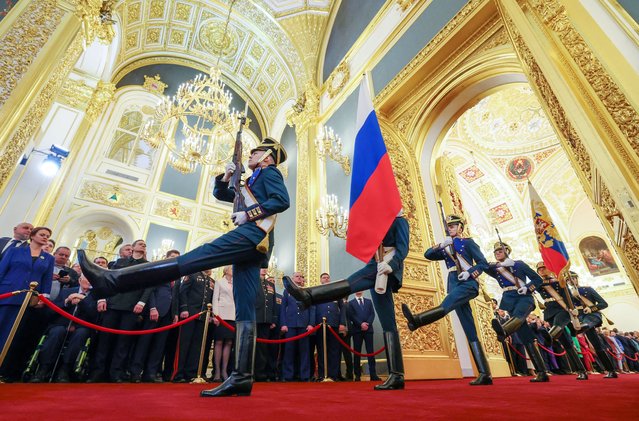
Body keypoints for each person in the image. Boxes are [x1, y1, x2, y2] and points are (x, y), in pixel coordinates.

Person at [78, 137, 289, 397]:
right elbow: (224, 194)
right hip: (252, 243)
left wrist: (249, 215)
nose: (250, 155)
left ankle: (113, 281)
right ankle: (242, 378)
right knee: (245, 306)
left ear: (267, 156)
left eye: (255, 152)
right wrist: (226, 176)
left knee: (192, 260)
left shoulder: (270, 173)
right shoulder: (252, 181)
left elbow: (281, 201)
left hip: (252, 235)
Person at [285, 213, 409, 390]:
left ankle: (308, 295)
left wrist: (393, 264)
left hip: (385, 267)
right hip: (377, 265)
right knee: (388, 322)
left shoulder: (399, 220)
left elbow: (403, 248)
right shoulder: (379, 221)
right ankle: (397, 375)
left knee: (350, 283)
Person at [401, 214, 492, 385]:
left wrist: (471, 271)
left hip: (468, 284)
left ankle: (418, 320)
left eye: (453, 226)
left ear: (460, 227)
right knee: (468, 327)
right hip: (454, 285)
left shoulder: (468, 243)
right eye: (448, 226)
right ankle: (485, 373)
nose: (449, 228)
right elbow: (428, 254)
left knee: (446, 305)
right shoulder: (447, 248)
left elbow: (483, 263)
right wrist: (443, 244)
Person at [484, 242, 547, 382]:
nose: (497, 253)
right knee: (526, 338)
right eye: (495, 251)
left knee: (518, 317)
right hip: (509, 300)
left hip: (524, 297)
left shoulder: (519, 264)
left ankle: (504, 330)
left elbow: (537, 279)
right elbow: (484, 266)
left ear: (507, 251)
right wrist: (495, 265)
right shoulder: (497, 268)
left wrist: (528, 288)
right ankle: (542, 372)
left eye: (500, 250)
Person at [0, 226, 54, 381]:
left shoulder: (48, 258)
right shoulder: (15, 251)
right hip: (7, 295)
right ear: (32, 236)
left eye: (48, 236)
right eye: (42, 234)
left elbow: (47, 280)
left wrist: (43, 298)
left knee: (15, 336)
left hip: (29, 301)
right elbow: (2, 270)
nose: (45, 237)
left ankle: (4, 369)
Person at [30, 273, 97, 383]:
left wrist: (83, 300)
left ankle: (65, 369)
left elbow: (95, 316)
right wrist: (66, 302)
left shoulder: (96, 295)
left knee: (80, 334)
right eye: (87, 279)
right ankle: (43, 369)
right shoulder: (66, 291)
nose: (89, 281)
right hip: (62, 324)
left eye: (92, 279)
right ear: (80, 280)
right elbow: (51, 312)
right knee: (57, 332)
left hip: (82, 327)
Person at [536, 262, 588, 380]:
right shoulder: (539, 283)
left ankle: (549, 337)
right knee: (567, 343)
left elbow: (568, 295)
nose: (542, 271)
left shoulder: (560, 281)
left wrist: (573, 310)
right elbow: (532, 286)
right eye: (539, 269)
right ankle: (581, 371)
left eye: (544, 268)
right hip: (550, 312)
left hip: (563, 309)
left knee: (559, 324)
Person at [568, 272, 617, 378]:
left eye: (573, 278)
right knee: (597, 345)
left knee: (587, 324)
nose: (571, 281)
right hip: (580, 318)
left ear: (577, 279)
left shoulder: (588, 289)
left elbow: (603, 303)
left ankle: (580, 328)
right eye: (568, 280)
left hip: (592, 316)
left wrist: (591, 308)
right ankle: (611, 370)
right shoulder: (568, 294)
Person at [280, 272, 315, 382]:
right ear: (292, 279)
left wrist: (311, 324)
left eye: (301, 276)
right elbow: (283, 309)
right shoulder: (287, 292)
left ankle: (304, 375)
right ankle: (288, 375)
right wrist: (284, 324)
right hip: (290, 325)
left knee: (305, 351)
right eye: (297, 276)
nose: (299, 278)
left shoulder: (307, 291)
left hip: (304, 325)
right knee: (289, 351)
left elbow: (312, 309)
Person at [314, 273, 346, 381]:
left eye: (328, 277)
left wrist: (342, 323)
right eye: (324, 277)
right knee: (322, 350)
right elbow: (313, 309)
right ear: (320, 280)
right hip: (320, 326)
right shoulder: (316, 292)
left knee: (334, 350)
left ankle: (334, 375)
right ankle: (323, 375)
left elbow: (342, 309)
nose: (326, 279)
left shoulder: (336, 293)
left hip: (334, 325)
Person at [348, 291, 380, 381]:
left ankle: (373, 375)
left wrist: (367, 324)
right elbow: (352, 316)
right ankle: (357, 375)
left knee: (370, 352)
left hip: (368, 330)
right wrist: (361, 324)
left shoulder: (369, 301)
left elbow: (372, 314)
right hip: (357, 330)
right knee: (357, 353)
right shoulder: (351, 303)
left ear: (362, 291)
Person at [212, 266, 235, 382]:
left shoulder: (237, 283)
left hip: (233, 316)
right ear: (226, 270)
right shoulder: (219, 282)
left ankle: (224, 371)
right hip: (221, 315)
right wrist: (215, 315)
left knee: (229, 342)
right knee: (219, 342)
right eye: (231, 268)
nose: (233, 270)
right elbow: (215, 299)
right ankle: (217, 371)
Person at [254, 268, 277, 382]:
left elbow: (272, 303)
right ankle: (250, 372)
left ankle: (261, 373)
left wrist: (272, 319)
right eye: (262, 268)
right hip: (254, 318)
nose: (264, 270)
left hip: (266, 320)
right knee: (252, 346)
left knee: (263, 348)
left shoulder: (270, 285)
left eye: (265, 268)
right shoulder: (253, 281)